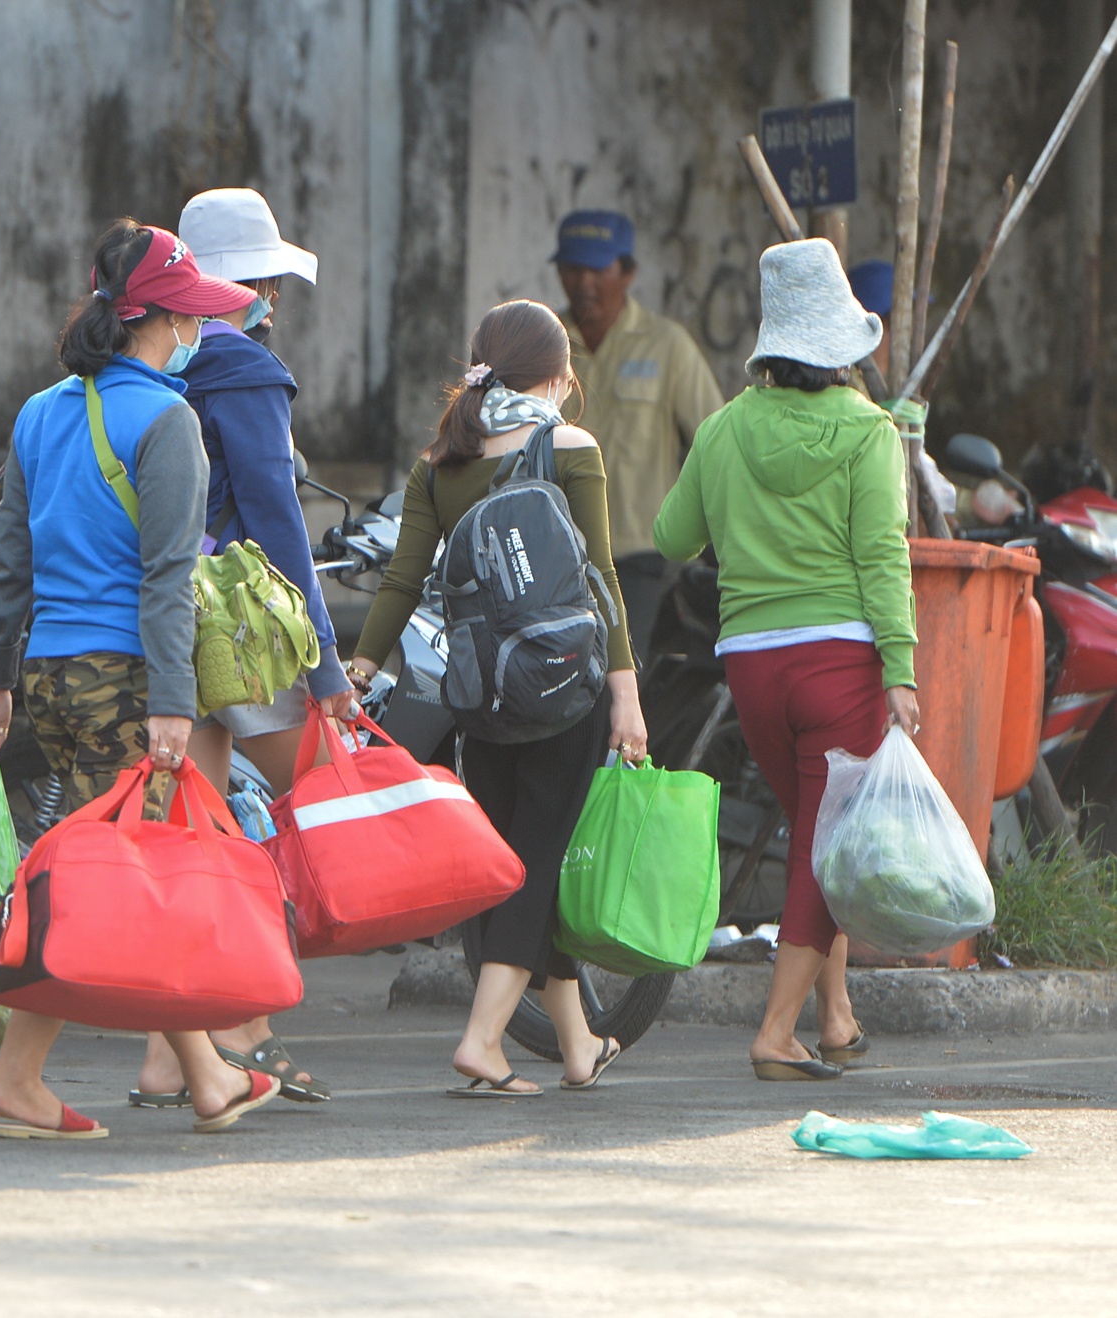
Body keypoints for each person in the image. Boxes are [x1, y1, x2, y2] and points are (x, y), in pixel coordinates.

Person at [0, 220, 282, 1138]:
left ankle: (208, 1077)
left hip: (55, 681)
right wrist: (176, 705)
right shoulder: (166, 419)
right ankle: (21, 1078)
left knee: (123, 876)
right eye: (192, 319)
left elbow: (7, 566)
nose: (198, 335)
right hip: (126, 684)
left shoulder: (38, 413)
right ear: (164, 319)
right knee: (117, 886)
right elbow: (167, 578)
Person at [348, 299, 647, 1096]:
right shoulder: (571, 446)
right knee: (537, 863)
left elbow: (404, 580)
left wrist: (363, 667)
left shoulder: (439, 463)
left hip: (478, 697)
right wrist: (628, 697)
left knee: (515, 863)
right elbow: (602, 584)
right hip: (562, 691)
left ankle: (579, 1045)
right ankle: (483, 1041)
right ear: (554, 374)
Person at [653, 238, 920, 1082]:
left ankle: (835, 1017)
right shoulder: (868, 432)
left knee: (817, 832)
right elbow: (884, 555)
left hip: (752, 664)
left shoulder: (726, 429)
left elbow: (671, 538)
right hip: (841, 662)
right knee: (825, 839)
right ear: (843, 346)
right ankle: (776, 1031)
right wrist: (901, 667)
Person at [128, 187, 354, 1106]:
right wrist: (328, 661)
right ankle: (244, 1022)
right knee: (312, 798)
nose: (274, 300)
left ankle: (168, 1054)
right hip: (235, 635)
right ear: (252, 285)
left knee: (196, 830)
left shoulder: (155, 362)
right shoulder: (247, 371)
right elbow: (278, 520)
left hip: (158, 618)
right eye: (267, 282)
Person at [552, 210, 723, 657]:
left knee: (626, 683)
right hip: (555, 550)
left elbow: (717, 439)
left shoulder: (667, 345)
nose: (584, 281)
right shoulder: (544, 343)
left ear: (627, 273)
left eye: (598, 269)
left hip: (640, 557)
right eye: (573, 268)